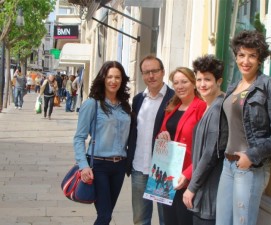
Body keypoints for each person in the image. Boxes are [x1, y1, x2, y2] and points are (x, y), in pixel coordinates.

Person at [215, 30, 271, 225]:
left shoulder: (268, 86)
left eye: (252, 55)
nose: (245, 61)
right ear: (236, 56)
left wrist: (252, 156)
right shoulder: (233, 86)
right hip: (227, 165)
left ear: (260, 59)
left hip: (249, 167)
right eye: (241, 55)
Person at [73, 61, 131, 225]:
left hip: (119, 166)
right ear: (103, 79)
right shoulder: (92, 104)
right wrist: (83, 165)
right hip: (98, 166)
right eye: (110, 76)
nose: (114, 81)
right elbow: (79, 137)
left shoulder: (125, 106)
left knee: (107, 214)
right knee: (104, 215)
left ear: (122, 81)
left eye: (117, 77)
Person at [126, 55, 174, 225]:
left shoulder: (174, 98)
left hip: (163, 167)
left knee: (166, 218)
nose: (151, 76)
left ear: (162, 72)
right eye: (146, 72)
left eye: (154, 71)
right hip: (139, 166)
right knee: (140, 219)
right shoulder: (138, 99)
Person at [157, 67, 207, 225]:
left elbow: (206, 147)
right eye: (176, 83)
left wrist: (188, 174)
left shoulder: (201, 107)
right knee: (169, 219)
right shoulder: (172, 107)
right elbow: (163, 132)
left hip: (187, 175)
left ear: (193, 83)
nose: (180, 86)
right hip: (167, 173)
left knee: (184, 220)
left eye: (184, 81)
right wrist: (162, 136)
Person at [182, 55, 225, 225]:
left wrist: (192, 187)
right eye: (199, 79)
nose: (202, 84)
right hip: (203, 191)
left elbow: (210, 153)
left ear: (219, 81)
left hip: (210, 194)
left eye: (207, 79)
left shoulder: (218, 108)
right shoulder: (209, 106)